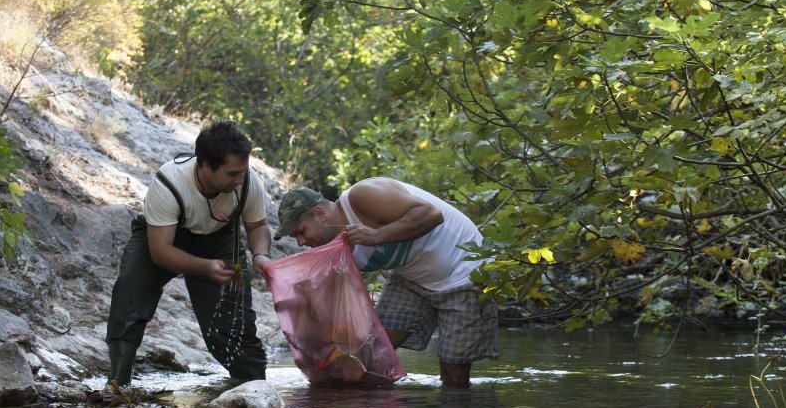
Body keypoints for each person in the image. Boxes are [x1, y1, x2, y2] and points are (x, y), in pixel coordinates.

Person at [273, 178, 498, 388]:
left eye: (300, 232)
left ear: (320, 213)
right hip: (412, 277)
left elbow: (431, 214)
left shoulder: (362, 196)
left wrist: (376, 236)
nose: (301, 242)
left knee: (453, 375)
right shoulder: (331, 246)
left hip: (464, 270)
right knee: (369, 354)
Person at [105, 119, 272, 385]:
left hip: (219, 240)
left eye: (242, 171)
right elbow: (161, 252)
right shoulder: (169, 182)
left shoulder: (248, 182)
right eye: (231, 174)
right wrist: (205, 268)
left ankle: (255, 389)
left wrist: (260, 254)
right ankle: (117, 385)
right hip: (163, 237)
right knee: (130, 293)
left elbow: (258, 226)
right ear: (205, 165)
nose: (239, 180)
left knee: (234, 323)